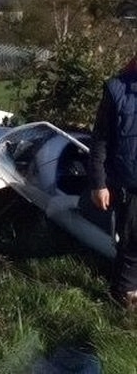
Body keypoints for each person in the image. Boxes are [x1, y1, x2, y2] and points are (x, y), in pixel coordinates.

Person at [88, 56, 137, 309]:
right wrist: (99, 182)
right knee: (131, 241)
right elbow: (100, 140)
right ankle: (124, 294)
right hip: (129, 182)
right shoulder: (117, 89)